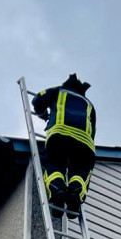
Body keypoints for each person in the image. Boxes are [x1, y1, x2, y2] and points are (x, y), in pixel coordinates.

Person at [31, 74, 96, 216]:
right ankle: (74, 196)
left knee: (55, 164)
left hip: (59, 136)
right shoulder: (89, 104)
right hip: (85, 143)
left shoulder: (58, 91)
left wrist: (42, 114)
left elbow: (37, 100)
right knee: (80, 171)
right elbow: (93, 129)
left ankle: (58, 192)